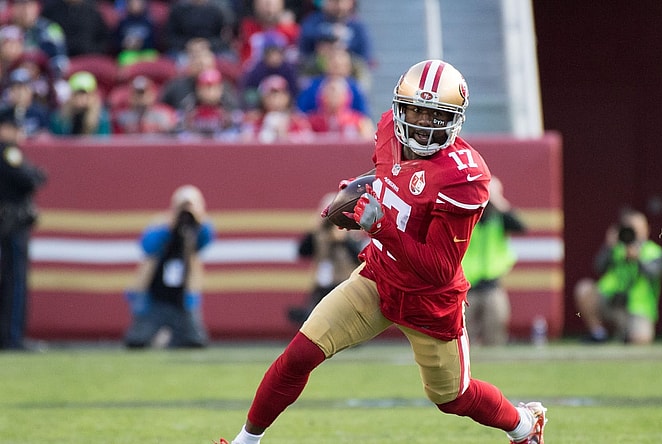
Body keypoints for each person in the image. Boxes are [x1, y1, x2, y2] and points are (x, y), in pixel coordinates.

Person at [219, 59, 547, 444]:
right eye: (416, 111)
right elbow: (391, 177)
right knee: (300, 354)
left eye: (434, 115)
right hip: (379, 277)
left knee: (453, 396)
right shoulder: (389, 130)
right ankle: (245, 441)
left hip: (429, 302)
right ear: (399, 108)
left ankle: (524, 426)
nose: (422, 124)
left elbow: (439, 269)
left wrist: (382, 227)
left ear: (455, 119)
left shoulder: (464, 176)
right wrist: (358, 193)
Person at [123, 184, 215, 348]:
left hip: (181, 302)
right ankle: (161, 336)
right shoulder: (161, 227)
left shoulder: (197, 231)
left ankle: (168, 338)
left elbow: (207, 238)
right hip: (156, 300)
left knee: (195, 342)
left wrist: (196, 219)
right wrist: (170, 226)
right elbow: (147, 247)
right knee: (136, 342)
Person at [573, 208, 662, 344]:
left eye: (638, 228)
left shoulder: (653, 251)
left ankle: (625, 335)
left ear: (646, 230)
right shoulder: (616, 248)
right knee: (584, 289)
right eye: (630, 228)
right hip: (611, 300)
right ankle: (598, 334)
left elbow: (654, 273)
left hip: (638, 308)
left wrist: (637, 259)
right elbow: (598, 267)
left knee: (641, 340)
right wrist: (608, 246)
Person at [0, 106, 47, 351]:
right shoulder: (8, 153)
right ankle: (12, 336)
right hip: (11, 226)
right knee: (15, 283)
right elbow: (32, 178)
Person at [462, 176, 526, 346]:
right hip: (466, 286)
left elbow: (521, 226)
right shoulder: (467, 215)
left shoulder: (499, 218)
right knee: (463, 334)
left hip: (492, 286)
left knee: (496, 329)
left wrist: (498, 200)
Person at [287, 192, 367, 325]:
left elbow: (359, 257)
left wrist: (345, 240)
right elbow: (302, 251)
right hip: (322, 284)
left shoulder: (352, 233)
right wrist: (315, 230)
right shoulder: (319, 235)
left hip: (343, 282)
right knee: (315, 318)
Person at [239, 74, 312, 143]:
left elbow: (307, 141)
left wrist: (284, 133)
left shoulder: (298, 120)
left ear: (287, 97)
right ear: (263, 98)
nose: (276, 100)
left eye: (280, 95)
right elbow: (246, 140)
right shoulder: (254, 120)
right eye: (271, 95)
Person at [298, 0, 372, 66]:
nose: (338, 6)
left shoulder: (357, 26)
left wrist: (343, 51)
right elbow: (304, 45)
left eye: (341, 1)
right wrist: (326, 38)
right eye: (333, 1)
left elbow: (365, 55)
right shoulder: (313, 21)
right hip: (317, 71)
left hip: (349, 73)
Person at [304, 75, 373, 140]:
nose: (333, 96)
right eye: (330, 92)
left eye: (337, 93)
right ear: (321, 96)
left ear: (346, 96)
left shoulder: (360, 122)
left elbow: (369, 140)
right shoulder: (310, 122)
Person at [110, 75, 178, 135]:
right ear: (130, 96)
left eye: (143, 93)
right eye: (136, 93)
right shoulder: (122, 119)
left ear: (152, 95)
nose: (140, 98)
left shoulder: (163, 117)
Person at [49, 70, 112, 136]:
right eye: (77, 93)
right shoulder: (59, 117)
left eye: (85, 94)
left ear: (92, 95)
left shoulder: (102, 118)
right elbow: (56, 139)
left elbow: (103, 142)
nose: (81, 98)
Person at [40, 0, 111, 57]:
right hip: (59, 58)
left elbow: (103, 41)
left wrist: (92, 53)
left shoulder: (93, 11)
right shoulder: (51, 11)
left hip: (89, 59)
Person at [0, 67, 50, 138]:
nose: (19, 93)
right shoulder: (4, 113)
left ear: (30, 90)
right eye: (14, 89)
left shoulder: (39, 112)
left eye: (22, 88)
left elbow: (46, 136)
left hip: (33, 148)